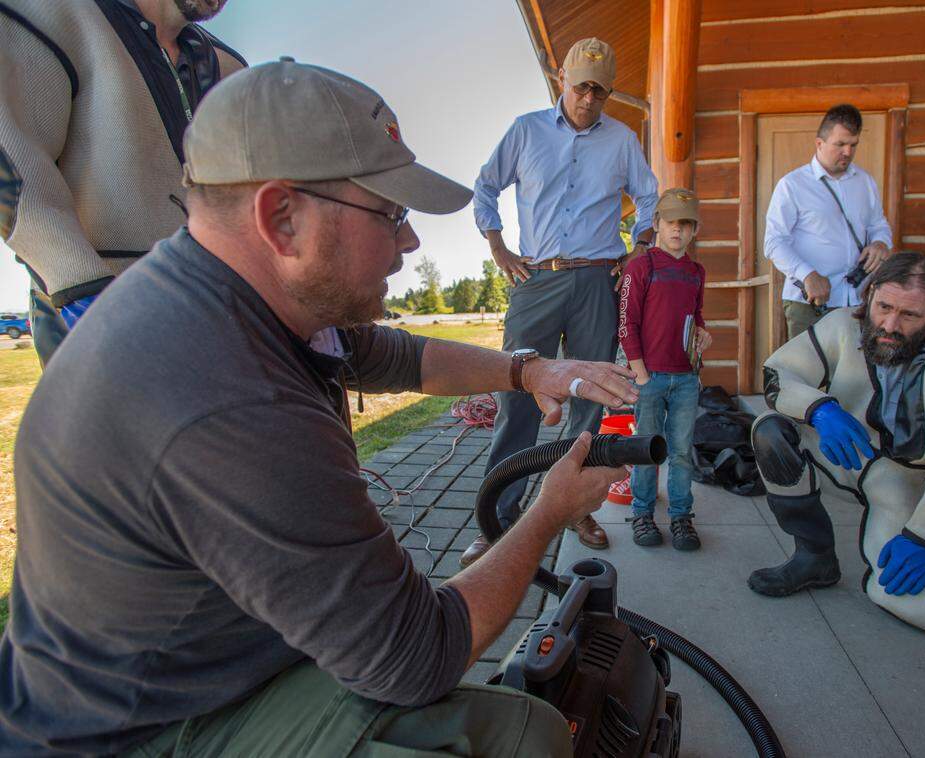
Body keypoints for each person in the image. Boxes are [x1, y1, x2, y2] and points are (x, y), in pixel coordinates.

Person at [0, 60, 640, 756]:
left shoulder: (228, 290)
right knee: (526, 736)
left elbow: (388, 354)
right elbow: (419, 656)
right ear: (282, 217)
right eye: (391, 214)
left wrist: (529, 369)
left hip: (200, 659)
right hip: (139, 729)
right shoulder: (228, 401)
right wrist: (546, 511)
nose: (411, 243)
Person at [748, 253, 925, 632]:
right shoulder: (843, 325)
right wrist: (819, 410)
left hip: (906, 480)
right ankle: (814, 556)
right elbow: (779, 371)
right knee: (770, 432)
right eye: (883, 307)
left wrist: (924, 535)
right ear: (872, 293)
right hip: (844, 450)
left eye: (909, 315)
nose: (890, 325)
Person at [465, 37, 659, 565]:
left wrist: (639, 246)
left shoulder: (621, 139)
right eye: (581, 87)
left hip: (599, 280)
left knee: (592, 396)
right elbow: (484, 188)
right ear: (561, 82)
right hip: (537, 279)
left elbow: (648, 197)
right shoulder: (526, 131)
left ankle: (575, 508)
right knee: (516, 393)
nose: (589, 98)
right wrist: (498, 245)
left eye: (600, 90)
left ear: (609, 92)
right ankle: (498, 520)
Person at [0, 0, 244, 365]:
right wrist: (86, 296)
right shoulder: (45, 16)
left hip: (222, 312)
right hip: (97, 314)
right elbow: (16, 172)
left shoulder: (225, 65)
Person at [618, 188, 711, 551]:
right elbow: (627, 324)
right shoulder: (643, 266)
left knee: (682, 451)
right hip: (651, 377)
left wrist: (702, 335)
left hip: (686, 377)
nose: (678, 230)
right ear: (656, 224)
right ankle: (642, 514)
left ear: (694, 230)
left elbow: (697, 315)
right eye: (671, 222)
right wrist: (641, 375)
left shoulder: (695, 271)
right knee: (648, 449)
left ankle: (681, 517)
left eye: (686, 224)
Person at [764, 104, 893, 339]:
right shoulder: (792, 185)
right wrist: (807, 275)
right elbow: (773, 242)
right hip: (810, 304)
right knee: (809, 374)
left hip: (858, 301)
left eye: (853, 145)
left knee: (855, 374)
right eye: (840, 144)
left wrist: (881, 243)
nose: (847, 152)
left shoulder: (865, 182)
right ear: (819, 143)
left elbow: (878, 225)